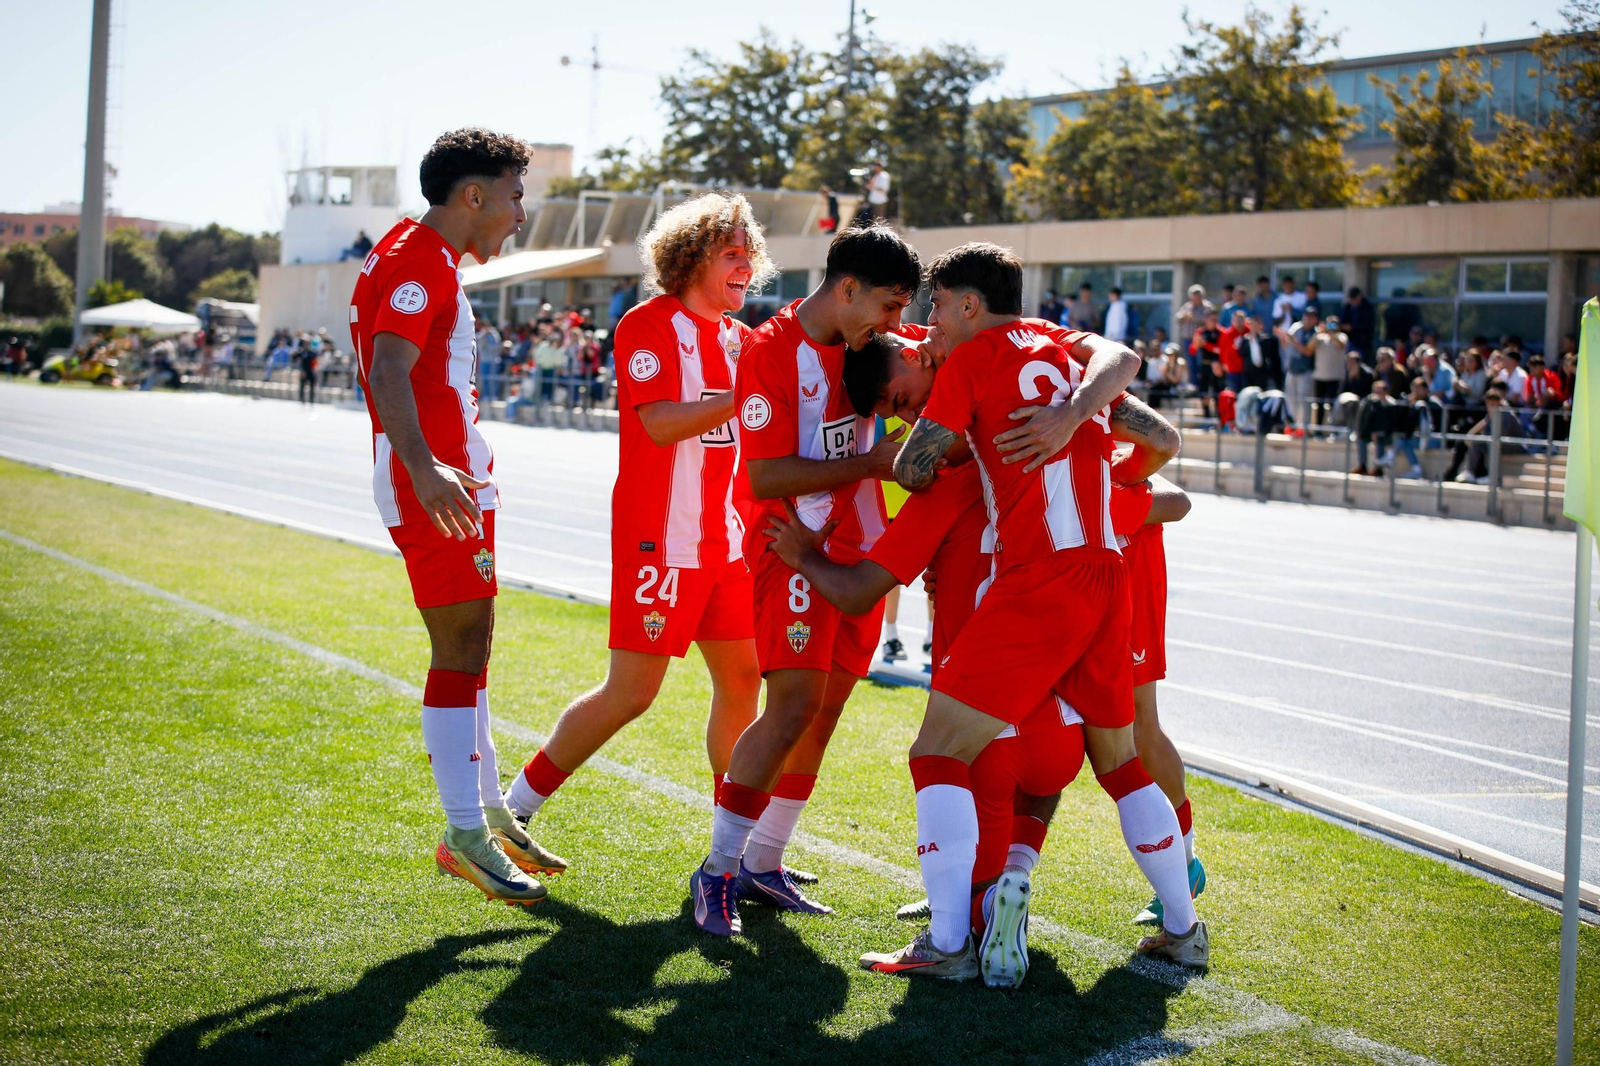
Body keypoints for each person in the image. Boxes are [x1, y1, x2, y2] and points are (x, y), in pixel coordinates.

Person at [863, 241, 1202, 978]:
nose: (931, 325)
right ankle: (1184, 926)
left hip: (1041, 578)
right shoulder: (1062, 345)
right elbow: (1133, 380)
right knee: (1119, 760)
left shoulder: (973, 361)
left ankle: (948, 944)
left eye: (938, 309)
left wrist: (918, 428)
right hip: (1109, 574)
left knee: (936, 752)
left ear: (969, 305)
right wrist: (1073, 415)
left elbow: (915, 469)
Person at [506, 192, 770, 891]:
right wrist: (740, 395)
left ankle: (729, 852)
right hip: (662, 540)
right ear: (690, 257)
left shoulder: (739, 338)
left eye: (751, 255)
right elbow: (658, 423)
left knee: (743, 681)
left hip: (726, 542)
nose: (747, 268)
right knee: (630, 693)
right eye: (731, 254)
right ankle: (509, 813)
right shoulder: (646, 325)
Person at [690, 224, 921, 936]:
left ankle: (765, 860)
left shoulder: (872, 347)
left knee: (823, 712)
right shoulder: (770, 350)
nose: (897, 326)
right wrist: (876, 464)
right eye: (888, 307)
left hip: (855, 546)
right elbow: (765, 475)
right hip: (789, 545)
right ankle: (717, 871)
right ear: (846, 289)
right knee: (789, 706)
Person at [350, 127, 549, 908]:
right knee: (460, 645)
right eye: (514, 196)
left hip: (454, 481)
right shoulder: (414, 259)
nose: (520, 213)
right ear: (473, 196)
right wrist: (424, 465)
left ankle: (487, 807)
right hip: (431, 483)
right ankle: (464, 833)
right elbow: (387, 367)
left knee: (475, 644)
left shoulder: (421, 255)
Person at [1443, 381, 1522, 484]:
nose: (1491, 406)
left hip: (1515, 444)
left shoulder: (1506, 414)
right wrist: (1470, 436)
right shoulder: (1491, 413)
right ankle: (1469, 472)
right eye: (1489, 403)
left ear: (1499, 402)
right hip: (1499, 442)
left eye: (1494, 403)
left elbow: (1501, 435)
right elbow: (1483, 424)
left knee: (1492, 442)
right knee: (1477, 441)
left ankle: (1493, 476)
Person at [1340, 287, 1375, 356]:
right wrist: (1344, 326)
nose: (1354, 301)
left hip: (1362, 342)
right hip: (1349, 340)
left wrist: (1353, 327)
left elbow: (1367, 324)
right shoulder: (1348, 307)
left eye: (1355, 298)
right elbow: (1342, 320)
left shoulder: (1367, 308)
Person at [294, 339, 318, 405]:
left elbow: (315, 359)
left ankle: (311, 399)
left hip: (310, 370)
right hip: (303, 371)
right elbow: (295, 357)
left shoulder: (312, 352)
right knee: (302, 386)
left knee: (312, 386)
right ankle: (302, 399)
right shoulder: (301, 352)